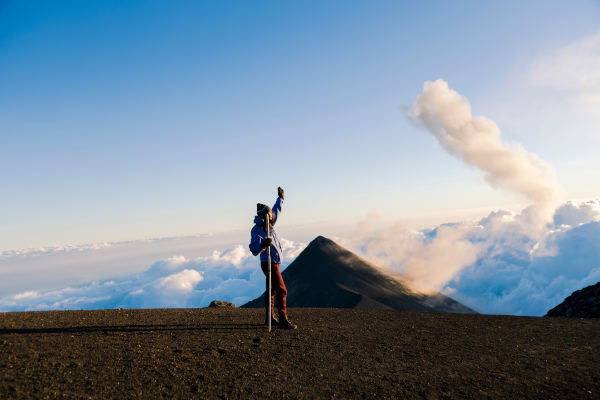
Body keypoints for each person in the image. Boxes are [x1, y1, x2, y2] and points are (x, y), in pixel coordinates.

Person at [249, 187, 297, 330]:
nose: (272, 215)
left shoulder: (270, 224)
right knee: (282, 291)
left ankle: (269, 317)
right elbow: (253, 249)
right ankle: (283, 319)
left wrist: (281, 198)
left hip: (275, 262)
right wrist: (263, 245)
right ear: (265, 216)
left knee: (272, 290)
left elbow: (277, 209)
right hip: (268, 263)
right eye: (269, 214)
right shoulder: (257, 230)